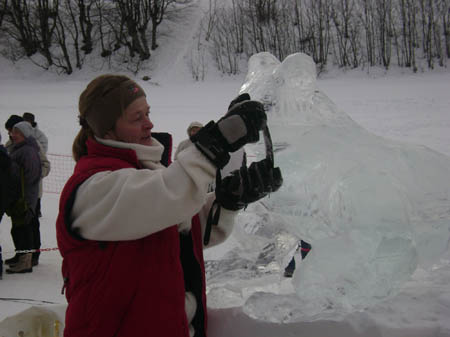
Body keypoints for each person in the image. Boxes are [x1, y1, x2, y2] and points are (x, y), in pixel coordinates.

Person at [56, 74, 279, 337]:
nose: (149, 124)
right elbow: (167, 197)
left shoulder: (148, 171)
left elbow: (179, 229)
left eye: (147, 113)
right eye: (136, 118)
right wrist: (215, 143)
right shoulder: (92, 188)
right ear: (106, 129)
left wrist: (227, 201)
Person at [4, 121, 41, 274]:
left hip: (24, 197)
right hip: (19, 196)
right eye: (13, 132)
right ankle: (20, 256)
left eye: (17, 133)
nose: (13, 135)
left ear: (25, 134)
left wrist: (19, 190)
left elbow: (30, 176)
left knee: (24, 228)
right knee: (18, 228)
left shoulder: (27, 151)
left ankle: (25, 262)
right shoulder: (19, 148)